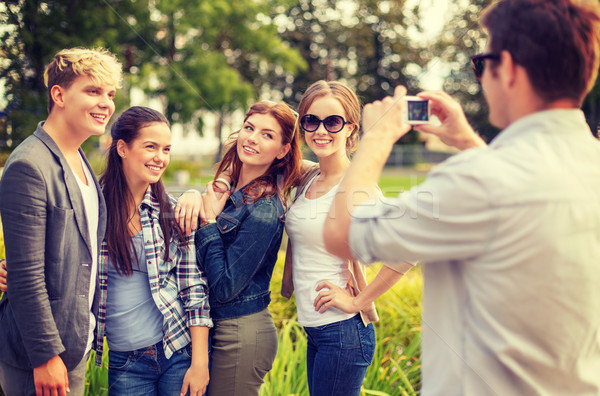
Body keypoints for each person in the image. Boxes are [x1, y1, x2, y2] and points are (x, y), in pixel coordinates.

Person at [323, 0, 600, 395]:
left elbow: (341, 234)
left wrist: (378, 136)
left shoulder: (477, 180)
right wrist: (468, 142)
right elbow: (516, 195)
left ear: (507, 69)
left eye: (482, 63)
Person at [0, 47, 122, 396]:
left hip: (73, 348)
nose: (106, 103)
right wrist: (45, 356)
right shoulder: (29, 165)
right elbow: (25, 275)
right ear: (59, 95)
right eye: (93, 91)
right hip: (36, 357)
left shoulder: (80, 159)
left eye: (110, 94)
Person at [282, 80, 411, 396]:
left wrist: (357, 301)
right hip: (317, 330)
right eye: (311, 121)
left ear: (351, 129)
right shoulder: (310, 175)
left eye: (333, 122)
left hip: (343, 331)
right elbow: (260, 162)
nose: (320, 130)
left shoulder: (358, 188)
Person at [94, 106, 212, 395]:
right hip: (126, 360)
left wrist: (200, 363)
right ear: (122, 148)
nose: (161, 158)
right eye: (151, 147)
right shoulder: (92, 208)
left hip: (177, 352)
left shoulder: (172, 211)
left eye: (167, 149)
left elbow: (193, 286)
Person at [192, 101, 302, 395]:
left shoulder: (265, 210)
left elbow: (226, 286)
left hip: (239, 333)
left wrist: (208, 223)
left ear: (282, 150)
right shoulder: (229, 192)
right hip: (215, 326)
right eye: (249, 127)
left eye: (267, 135)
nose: (252, 138)